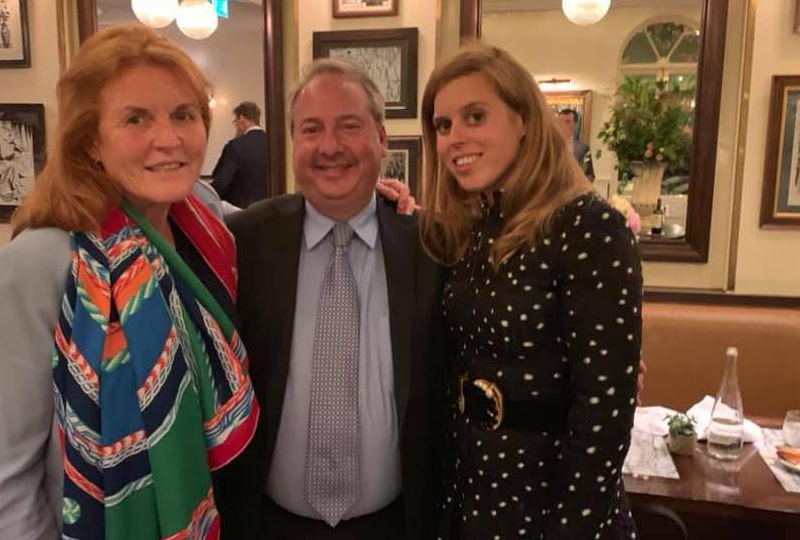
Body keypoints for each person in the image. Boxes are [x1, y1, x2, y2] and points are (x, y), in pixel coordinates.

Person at [0, 24, 258, 539]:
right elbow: (5, 482)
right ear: (91, 142)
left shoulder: (204, 221)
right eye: (135, 118)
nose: (167, 139)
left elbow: (284, 222)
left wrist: (376, 201)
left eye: (183, 115)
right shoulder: (37, 265)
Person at [419, 45, 642, 539]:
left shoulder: (587, 225)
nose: (456, 138)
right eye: (444, 125)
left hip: (553, 498)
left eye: (475, 116)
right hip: (473, 490)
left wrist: (570, 528)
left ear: (523, 119)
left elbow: (605, 415)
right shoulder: (471, 229)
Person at [219, 59, 446, 539]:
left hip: (396, 525)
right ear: (293, 142)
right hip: (267, 525)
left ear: (382, 140)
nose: (329, 147)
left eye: (349, 126)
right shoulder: (243, 241)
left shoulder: (431, 248)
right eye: (311, 129)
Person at [210, 101, 269, 208]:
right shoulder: (274, 145)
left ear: (241, 118)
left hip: (241, 215)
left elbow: (222, 183)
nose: (236, 126)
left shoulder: (235, 146)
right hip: (270, 212)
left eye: (235, 121)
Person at [556, 108, 595, 181]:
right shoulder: (549, 147)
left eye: (567, 122)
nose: (563, 125)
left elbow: (590, 175)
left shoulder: (583, 148)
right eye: (560, 122)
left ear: (575, 124)